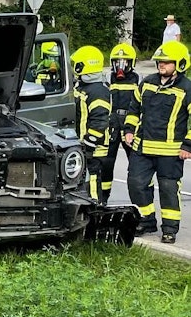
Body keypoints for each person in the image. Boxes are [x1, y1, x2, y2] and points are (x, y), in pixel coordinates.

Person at [124, 40, 191, 243]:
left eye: (166, 62)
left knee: (168, 189)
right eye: (159, 61)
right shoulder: (147, 82)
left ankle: (169, 229)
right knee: (136, 183)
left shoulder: (187, 88)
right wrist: (128, 130)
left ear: (179, 64)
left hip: (171, 152)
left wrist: (188, 145)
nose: (161, 65)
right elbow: (134, 108)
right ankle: (146, 220)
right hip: (142, 148)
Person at [69, 45, 112, 201]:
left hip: (94, 148)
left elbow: (100, 121)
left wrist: (89, 144)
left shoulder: (98, 91)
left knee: (92, 180)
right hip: (85, 145)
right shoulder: (85, 88)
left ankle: (94, 206)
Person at [101, 42, 141, 202]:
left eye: (124, 63)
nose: (120, 67)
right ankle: (103, 199)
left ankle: (139, 202)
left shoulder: (139, 80)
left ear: (132, 63)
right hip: (111, 125)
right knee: (106, 164)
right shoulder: (107, 78)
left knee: (136, 166)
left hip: (130, 127)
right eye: (117, 62)